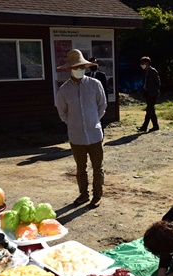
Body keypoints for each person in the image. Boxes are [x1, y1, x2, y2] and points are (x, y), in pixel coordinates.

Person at [56, 49, 107, 208]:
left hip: (94, 134)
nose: (79, 70)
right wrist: (73, 123)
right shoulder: (64, 90)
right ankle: (83, 195)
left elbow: (102, 105)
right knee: (80, 168)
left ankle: (97, 195)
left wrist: (93, 120)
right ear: (70, 69)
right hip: (76, 136)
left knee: (98, 168)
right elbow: (62, 112)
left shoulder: (94, 84)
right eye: (75, 67)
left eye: (81, 67)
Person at [138, 56, 160, 133]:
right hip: (147, 93)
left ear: (147, 63)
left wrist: (154, 90)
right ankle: (155, 125)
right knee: (151, 110)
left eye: (143, 63)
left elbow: (158, 83)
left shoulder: (153, 71)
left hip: (153, 94)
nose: (142, 65)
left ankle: (145, 126)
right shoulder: (145, 71)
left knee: (149, 110)